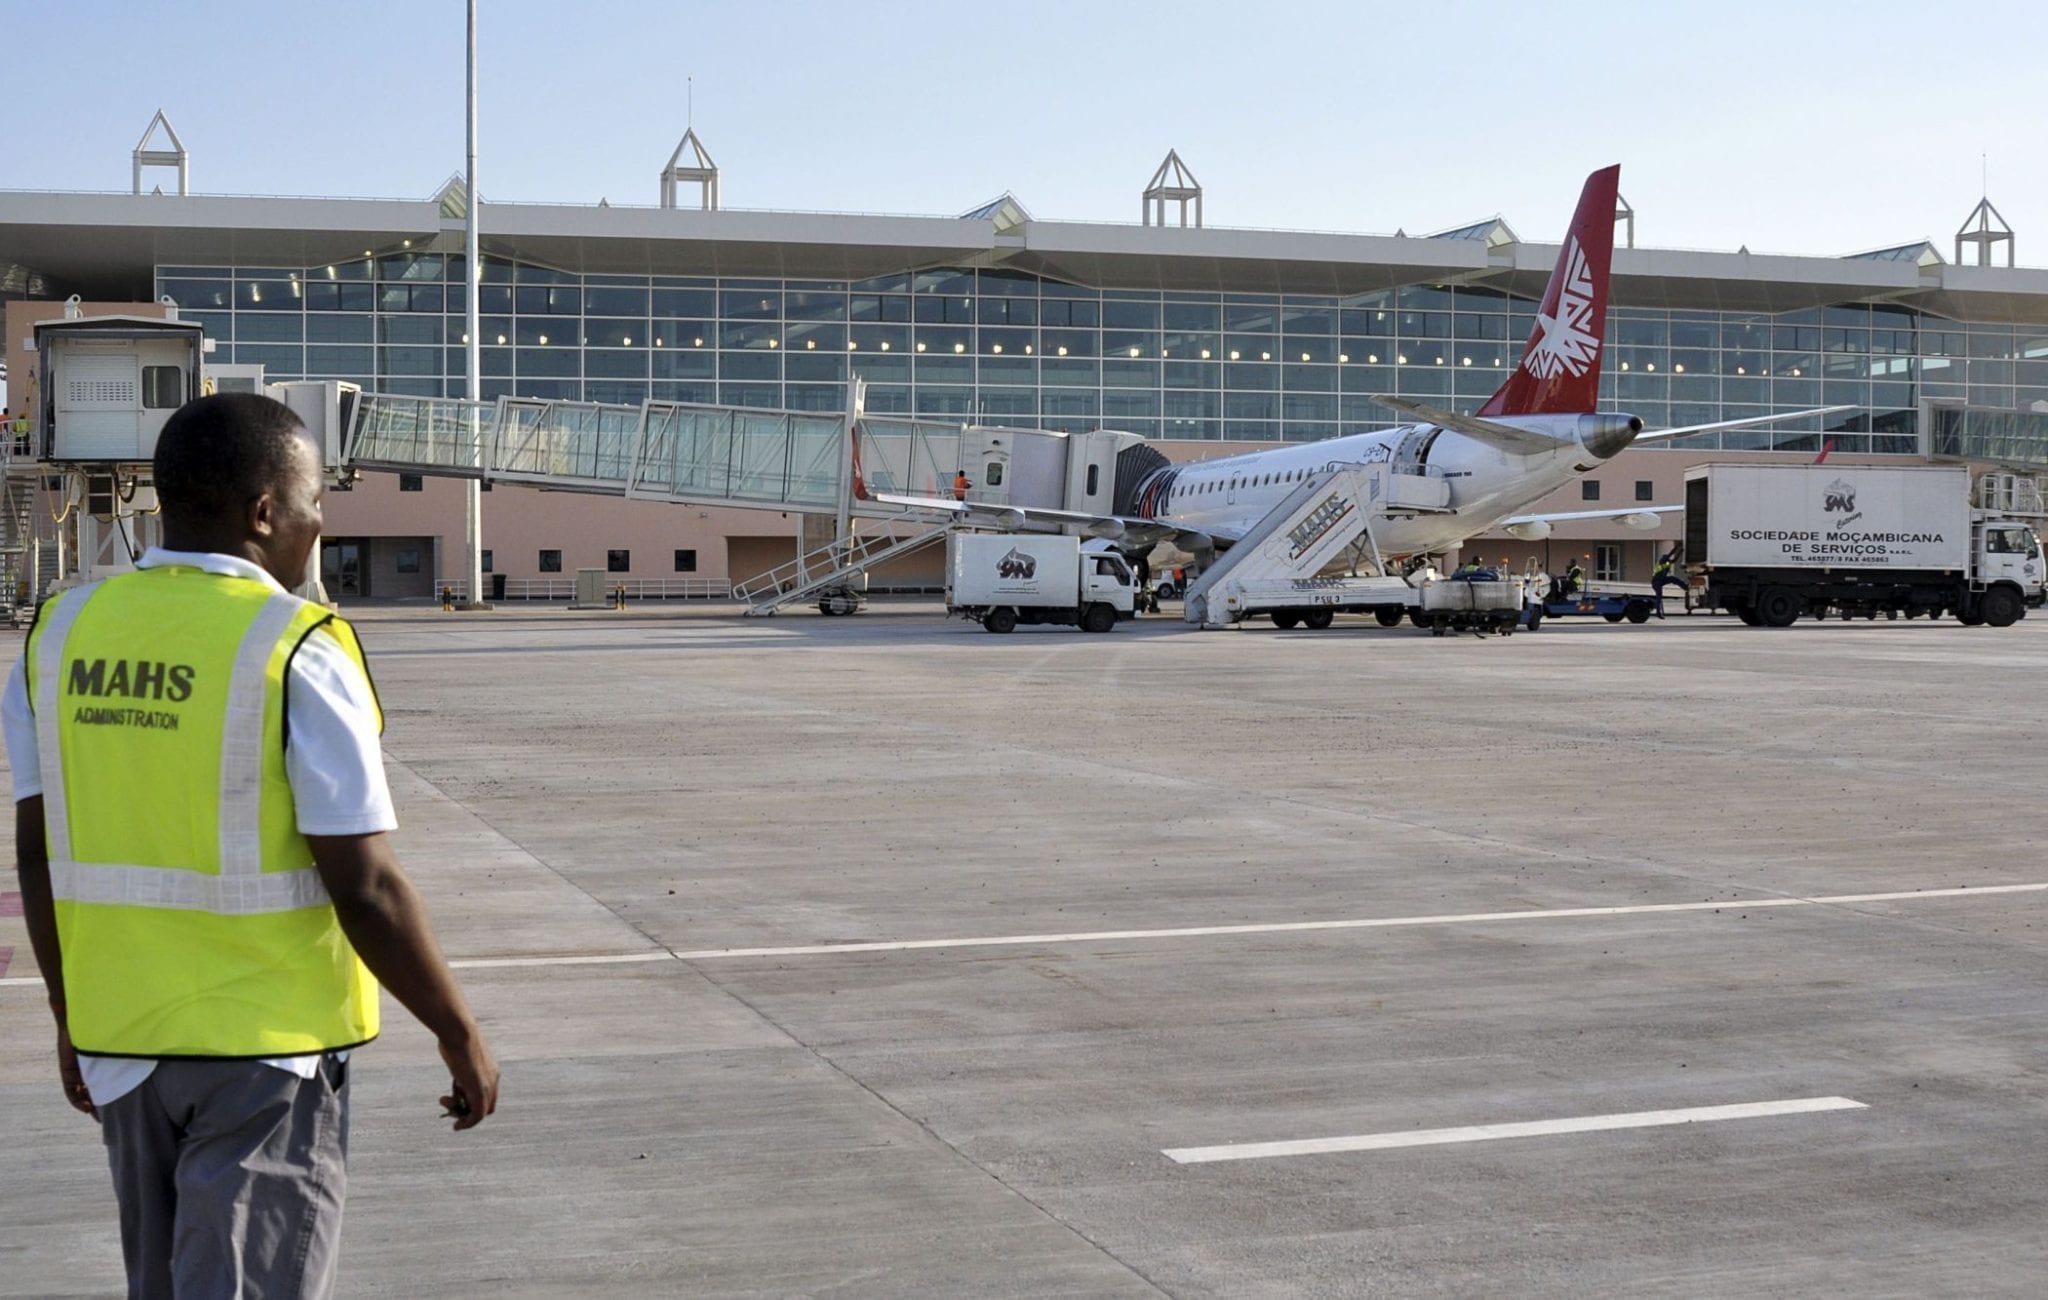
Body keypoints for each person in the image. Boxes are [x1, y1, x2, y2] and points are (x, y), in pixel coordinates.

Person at [7, 392, 498, 1298]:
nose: (320, 527)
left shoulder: (60, 636)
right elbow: (366, 887)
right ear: (267, 512)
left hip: (124, 1044)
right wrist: (458, 1030)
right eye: (314, 505)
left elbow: (38, 858)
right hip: (265, 1054)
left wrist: (71, 1017)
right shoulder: (299, 645)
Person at [1652, 546, 1687, 618]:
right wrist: (1678, 547)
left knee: (1673, 579)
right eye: (1667, 558)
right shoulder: (1662, 562)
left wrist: (1680, 551)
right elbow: (1671, 553)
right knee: (1659, 596)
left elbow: (1674, 560)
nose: (1668, 559)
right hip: (1657, 581)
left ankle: (1685, 587)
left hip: (1661, 580)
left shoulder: (1666, 563)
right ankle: (1658, 612)